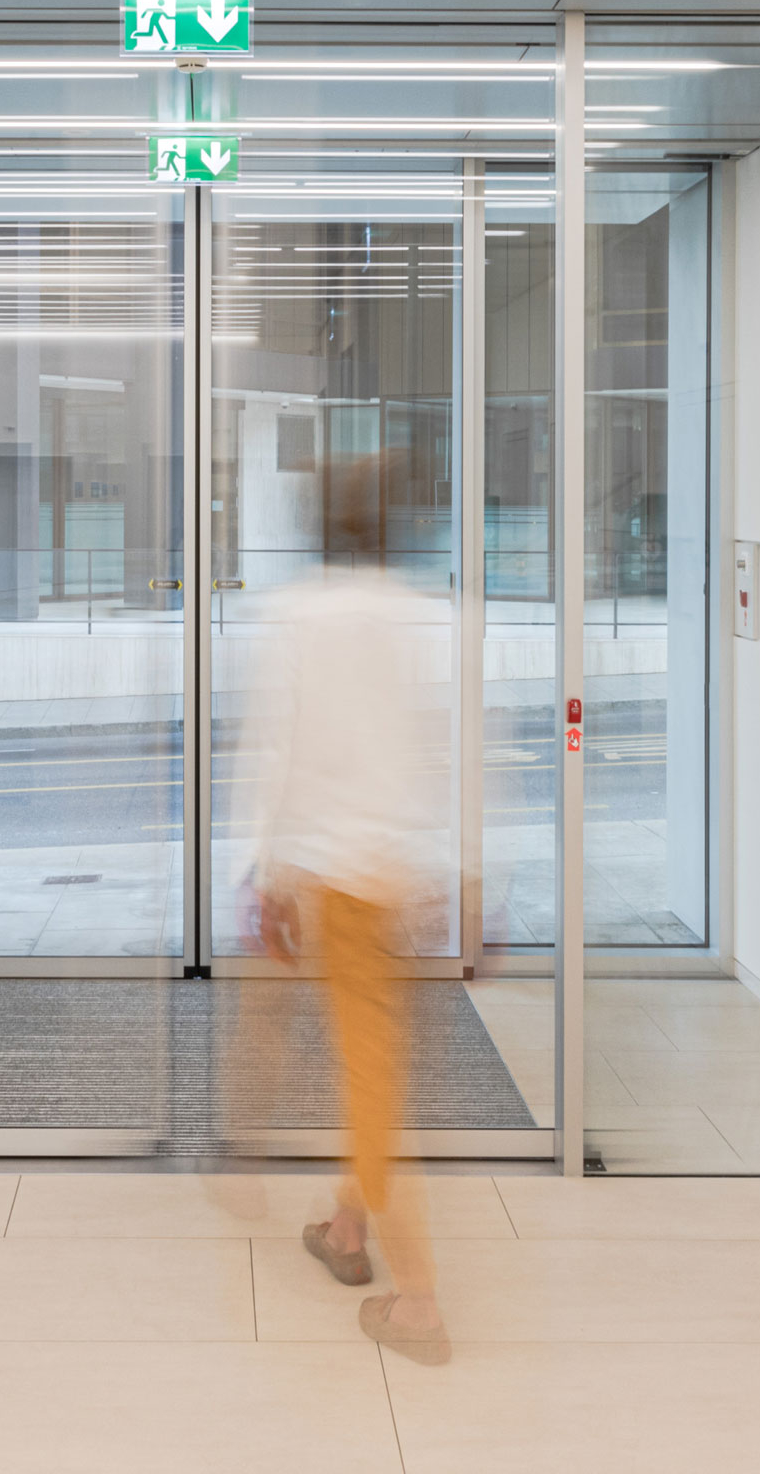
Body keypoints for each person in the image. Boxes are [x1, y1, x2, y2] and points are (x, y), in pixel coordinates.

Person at [237, 466, 455, 1361]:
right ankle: (346, 1227)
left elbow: (273, 749)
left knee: (370, 1083)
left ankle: (420, 1303)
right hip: (403, 874)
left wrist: (265, 873)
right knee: (377, 1060)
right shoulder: (422, 615)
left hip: (336, 874)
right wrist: (468, 878)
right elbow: (453, 742)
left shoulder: (298, 616)